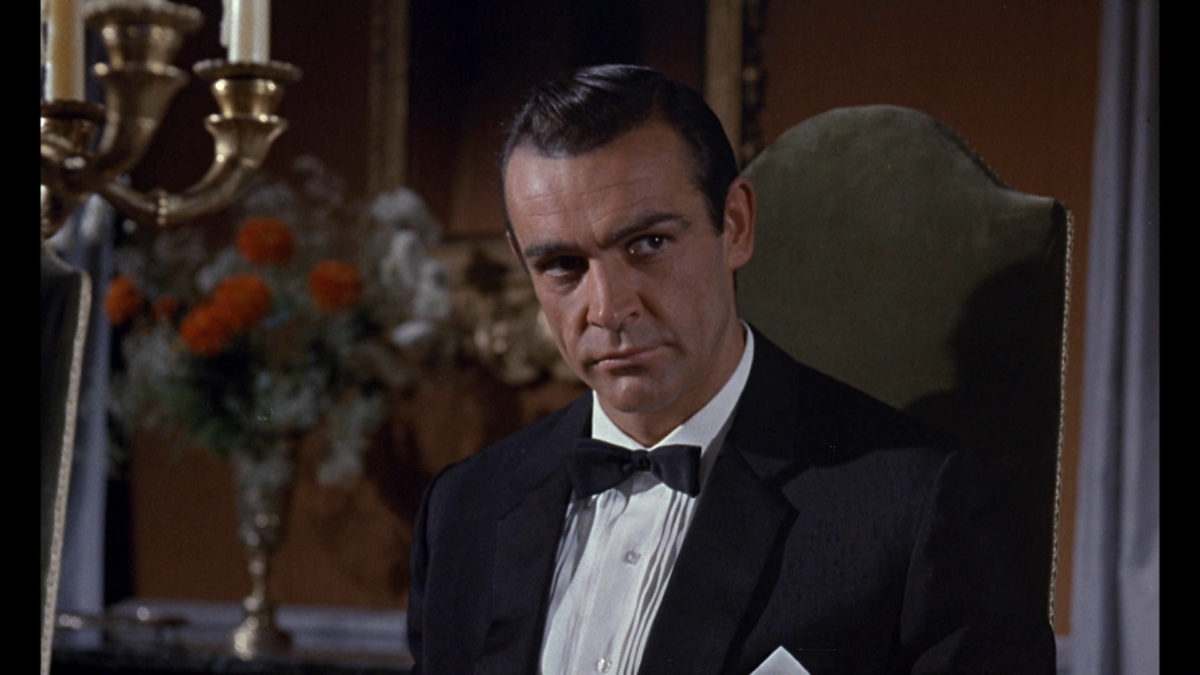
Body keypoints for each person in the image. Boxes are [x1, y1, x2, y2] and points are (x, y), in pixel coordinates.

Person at [406, 64, 1055, 674]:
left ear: (736, 224)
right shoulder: (461, 510)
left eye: (648, 243)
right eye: (562, 266)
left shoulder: (920, 508)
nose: (608, 309)